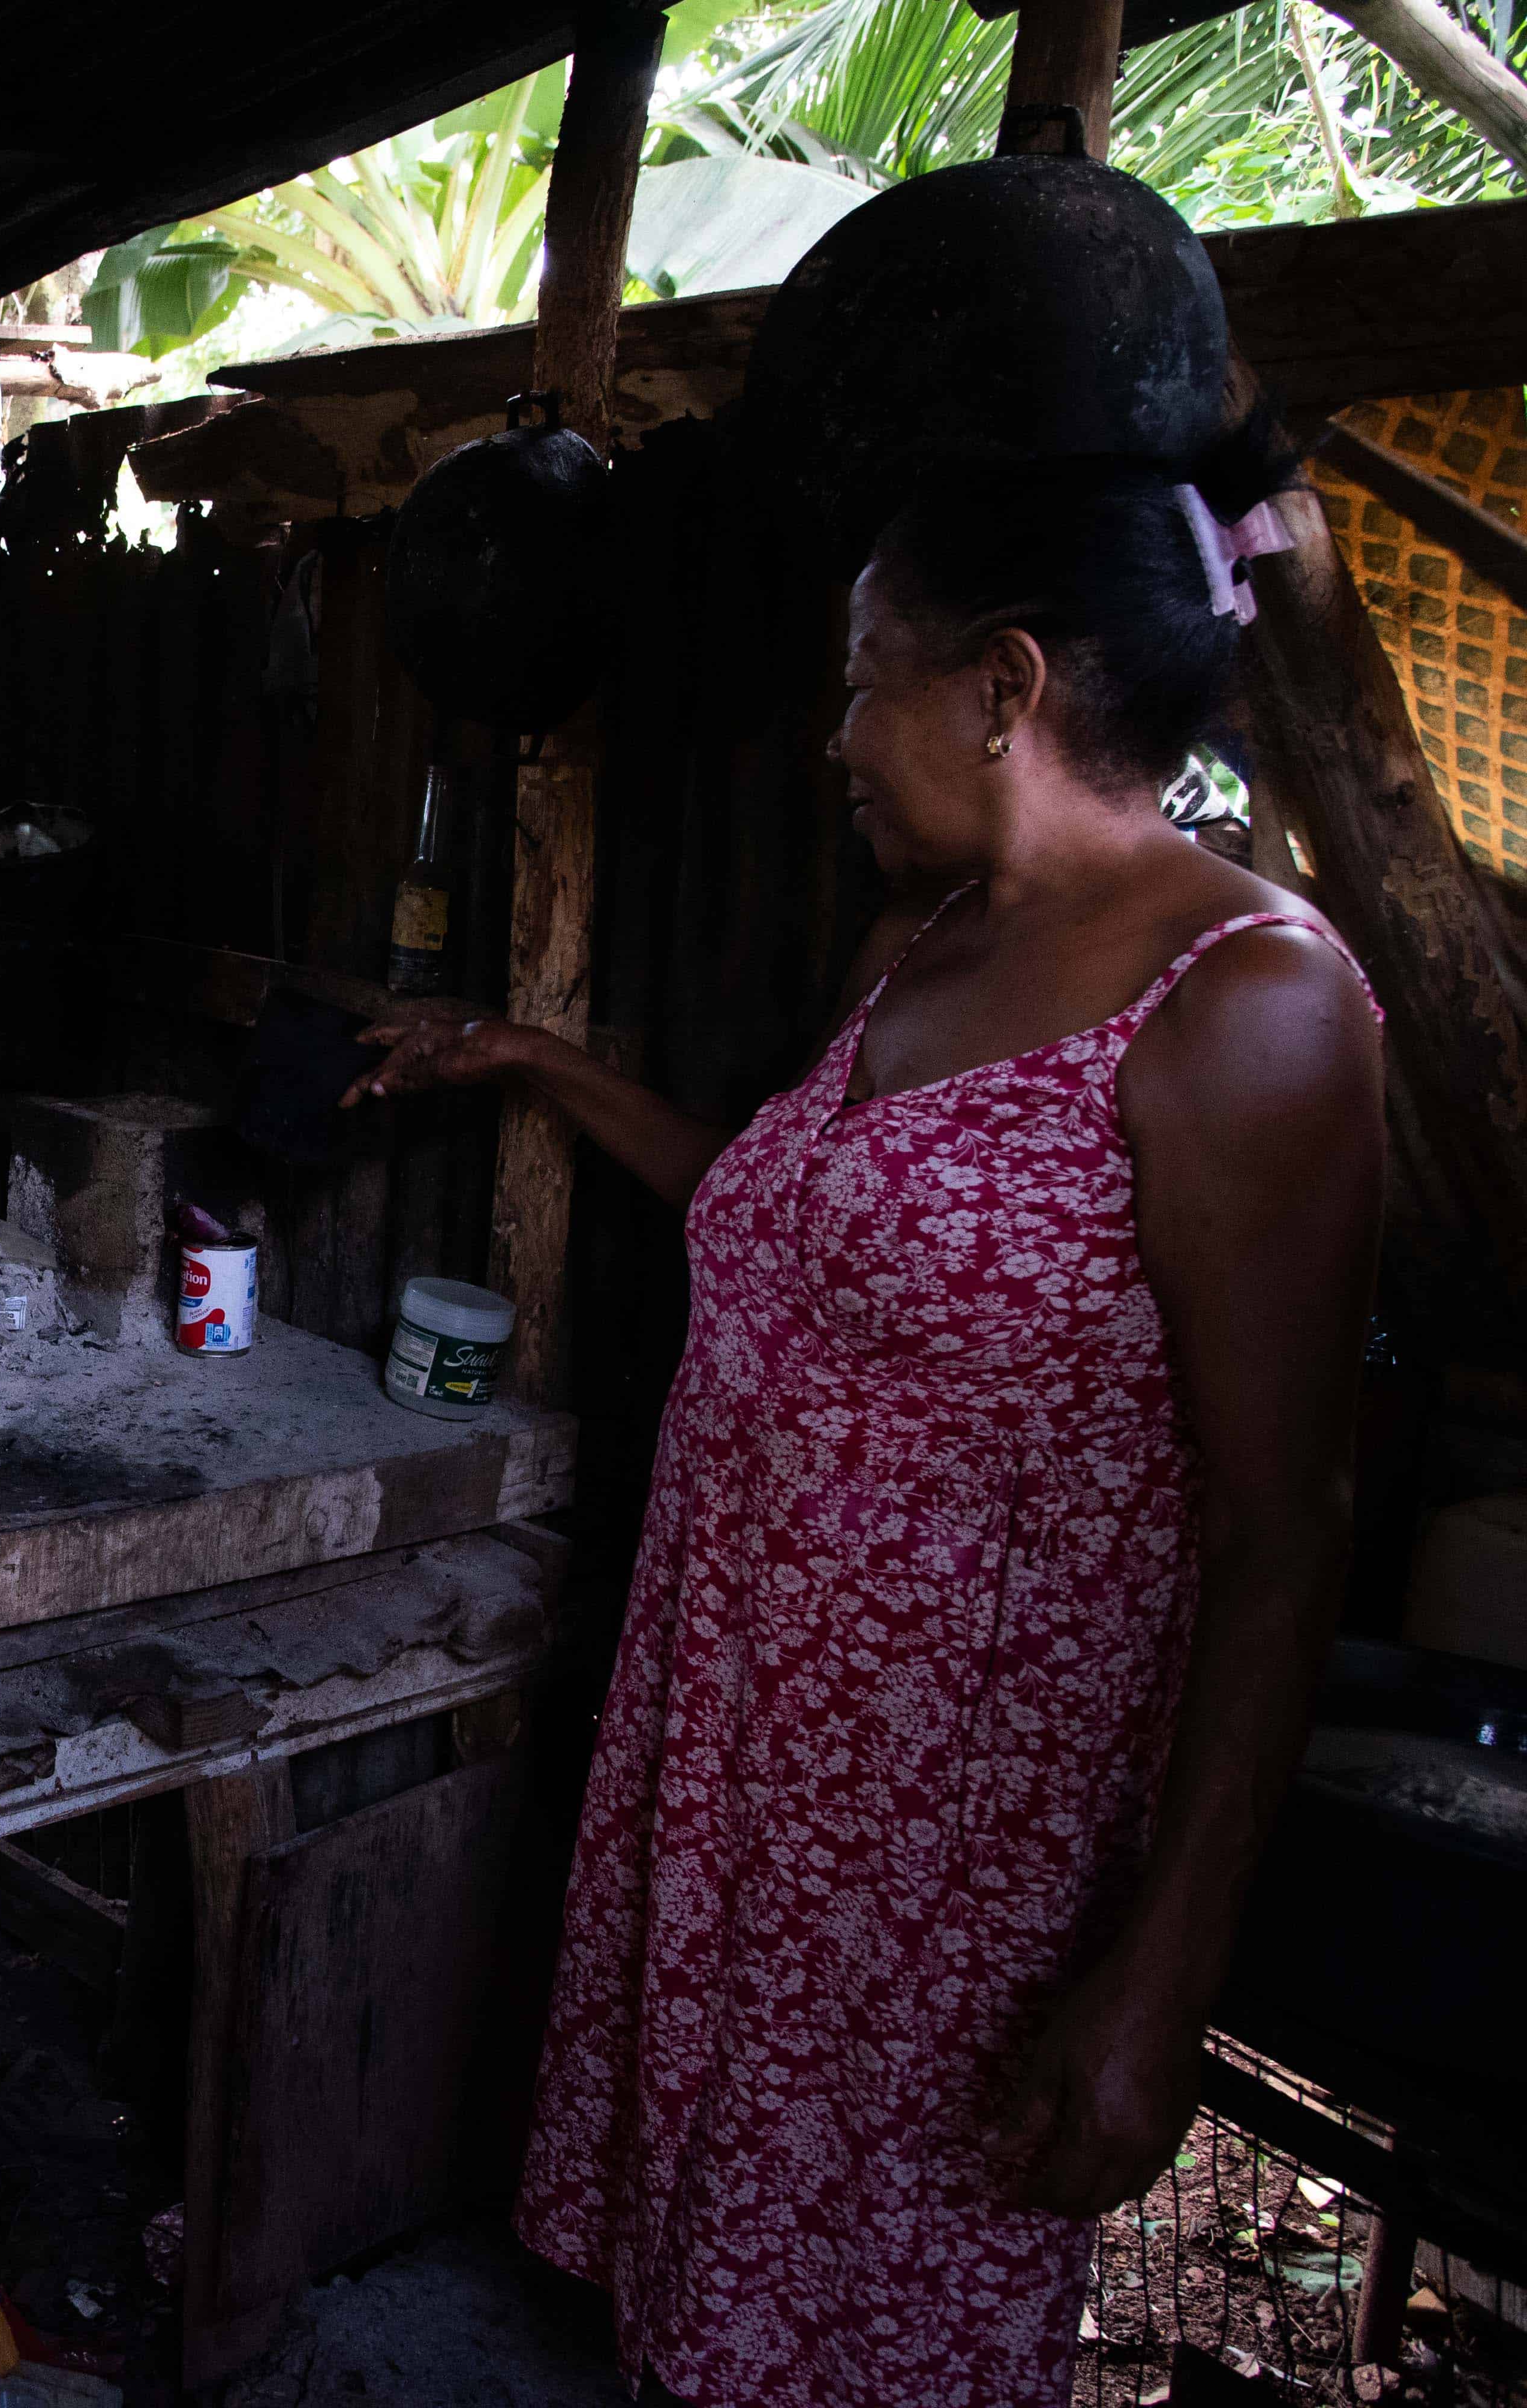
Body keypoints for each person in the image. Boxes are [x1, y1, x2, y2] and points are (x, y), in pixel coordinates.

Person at [345, 432, 1386, 2407]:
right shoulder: (917, 948)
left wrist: (1160, 1980)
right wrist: (532, 1060)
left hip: (953, 1848)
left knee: (883, 2319)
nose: (833, 734)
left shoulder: (1246, 1003)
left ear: (1001, 687)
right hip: (739, 1769)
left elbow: (1288, 1526)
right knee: (712, 2285)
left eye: (859, 676)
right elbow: (810, 1222)